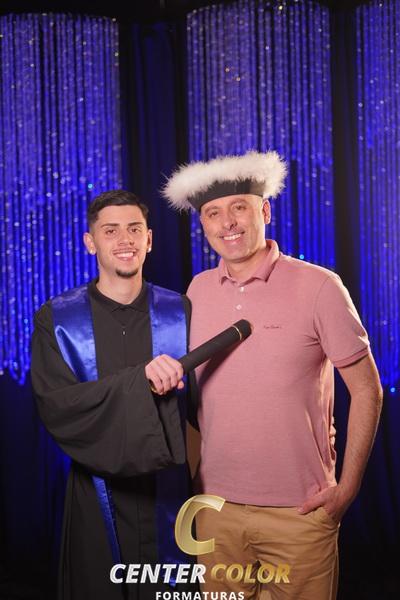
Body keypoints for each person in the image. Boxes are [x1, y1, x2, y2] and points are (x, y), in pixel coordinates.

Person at [162, 151, 383, 600]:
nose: (227, 222)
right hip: (216, 510)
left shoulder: (320, 286)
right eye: (213, 213)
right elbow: (194, 397)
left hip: (300, 512)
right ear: (202, 224)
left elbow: (367, 390)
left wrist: (348, 488)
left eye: (239, 207)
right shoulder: (197, 290)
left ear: (264, 211)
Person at [31, 190, 197, 600]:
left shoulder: (181, 311)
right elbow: (58, 406)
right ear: (90, 242)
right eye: (110, 231)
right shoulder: (58, 319)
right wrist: (140, 381)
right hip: (96, 492)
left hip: (170, 492)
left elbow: (206, 405)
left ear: (149, 240)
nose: (125, 240)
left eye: (134, 229)